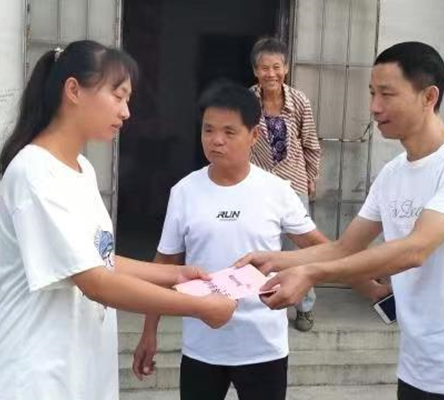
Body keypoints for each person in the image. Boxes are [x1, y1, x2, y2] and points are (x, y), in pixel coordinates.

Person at [236, 42, 444, 399]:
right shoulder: (392, 174)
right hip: (417, 371)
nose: (374, 107)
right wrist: (273, 261)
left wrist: (311, 274)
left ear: (429, 96)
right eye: (372, 93)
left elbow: (416, 249)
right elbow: (344, 247)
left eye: (387, 94)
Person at [0, 40, 236, 400]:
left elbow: (99, 259)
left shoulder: (81, 169)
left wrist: (176, 275)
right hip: (37, 373)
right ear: (74, 90)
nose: (126, 112)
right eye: (118, 96)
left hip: (80, 364)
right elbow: (95, 281)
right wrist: (199, 307)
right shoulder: (34, 173)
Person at [132, 82, 328, 400]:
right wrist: (149, 331)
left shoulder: (277, 191)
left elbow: (321, 249)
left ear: (254, 135)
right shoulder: (184, 192)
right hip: (202, 345)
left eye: (229, 132)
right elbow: (164, 265)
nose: (216, 140)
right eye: (208, 130)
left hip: (263, 345)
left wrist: (306, 275)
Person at [249, 37, 322, 331]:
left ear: (286, 68)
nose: (271, 74)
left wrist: (312, 177)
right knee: (260, 246)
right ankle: (260, 301)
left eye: (276, 67)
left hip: (294, 184)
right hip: (257, 186)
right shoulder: (246, 101)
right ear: (255, 71)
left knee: (299, 250)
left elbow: (311, 144)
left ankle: (305, 307)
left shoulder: (299, 101)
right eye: (264, 68)